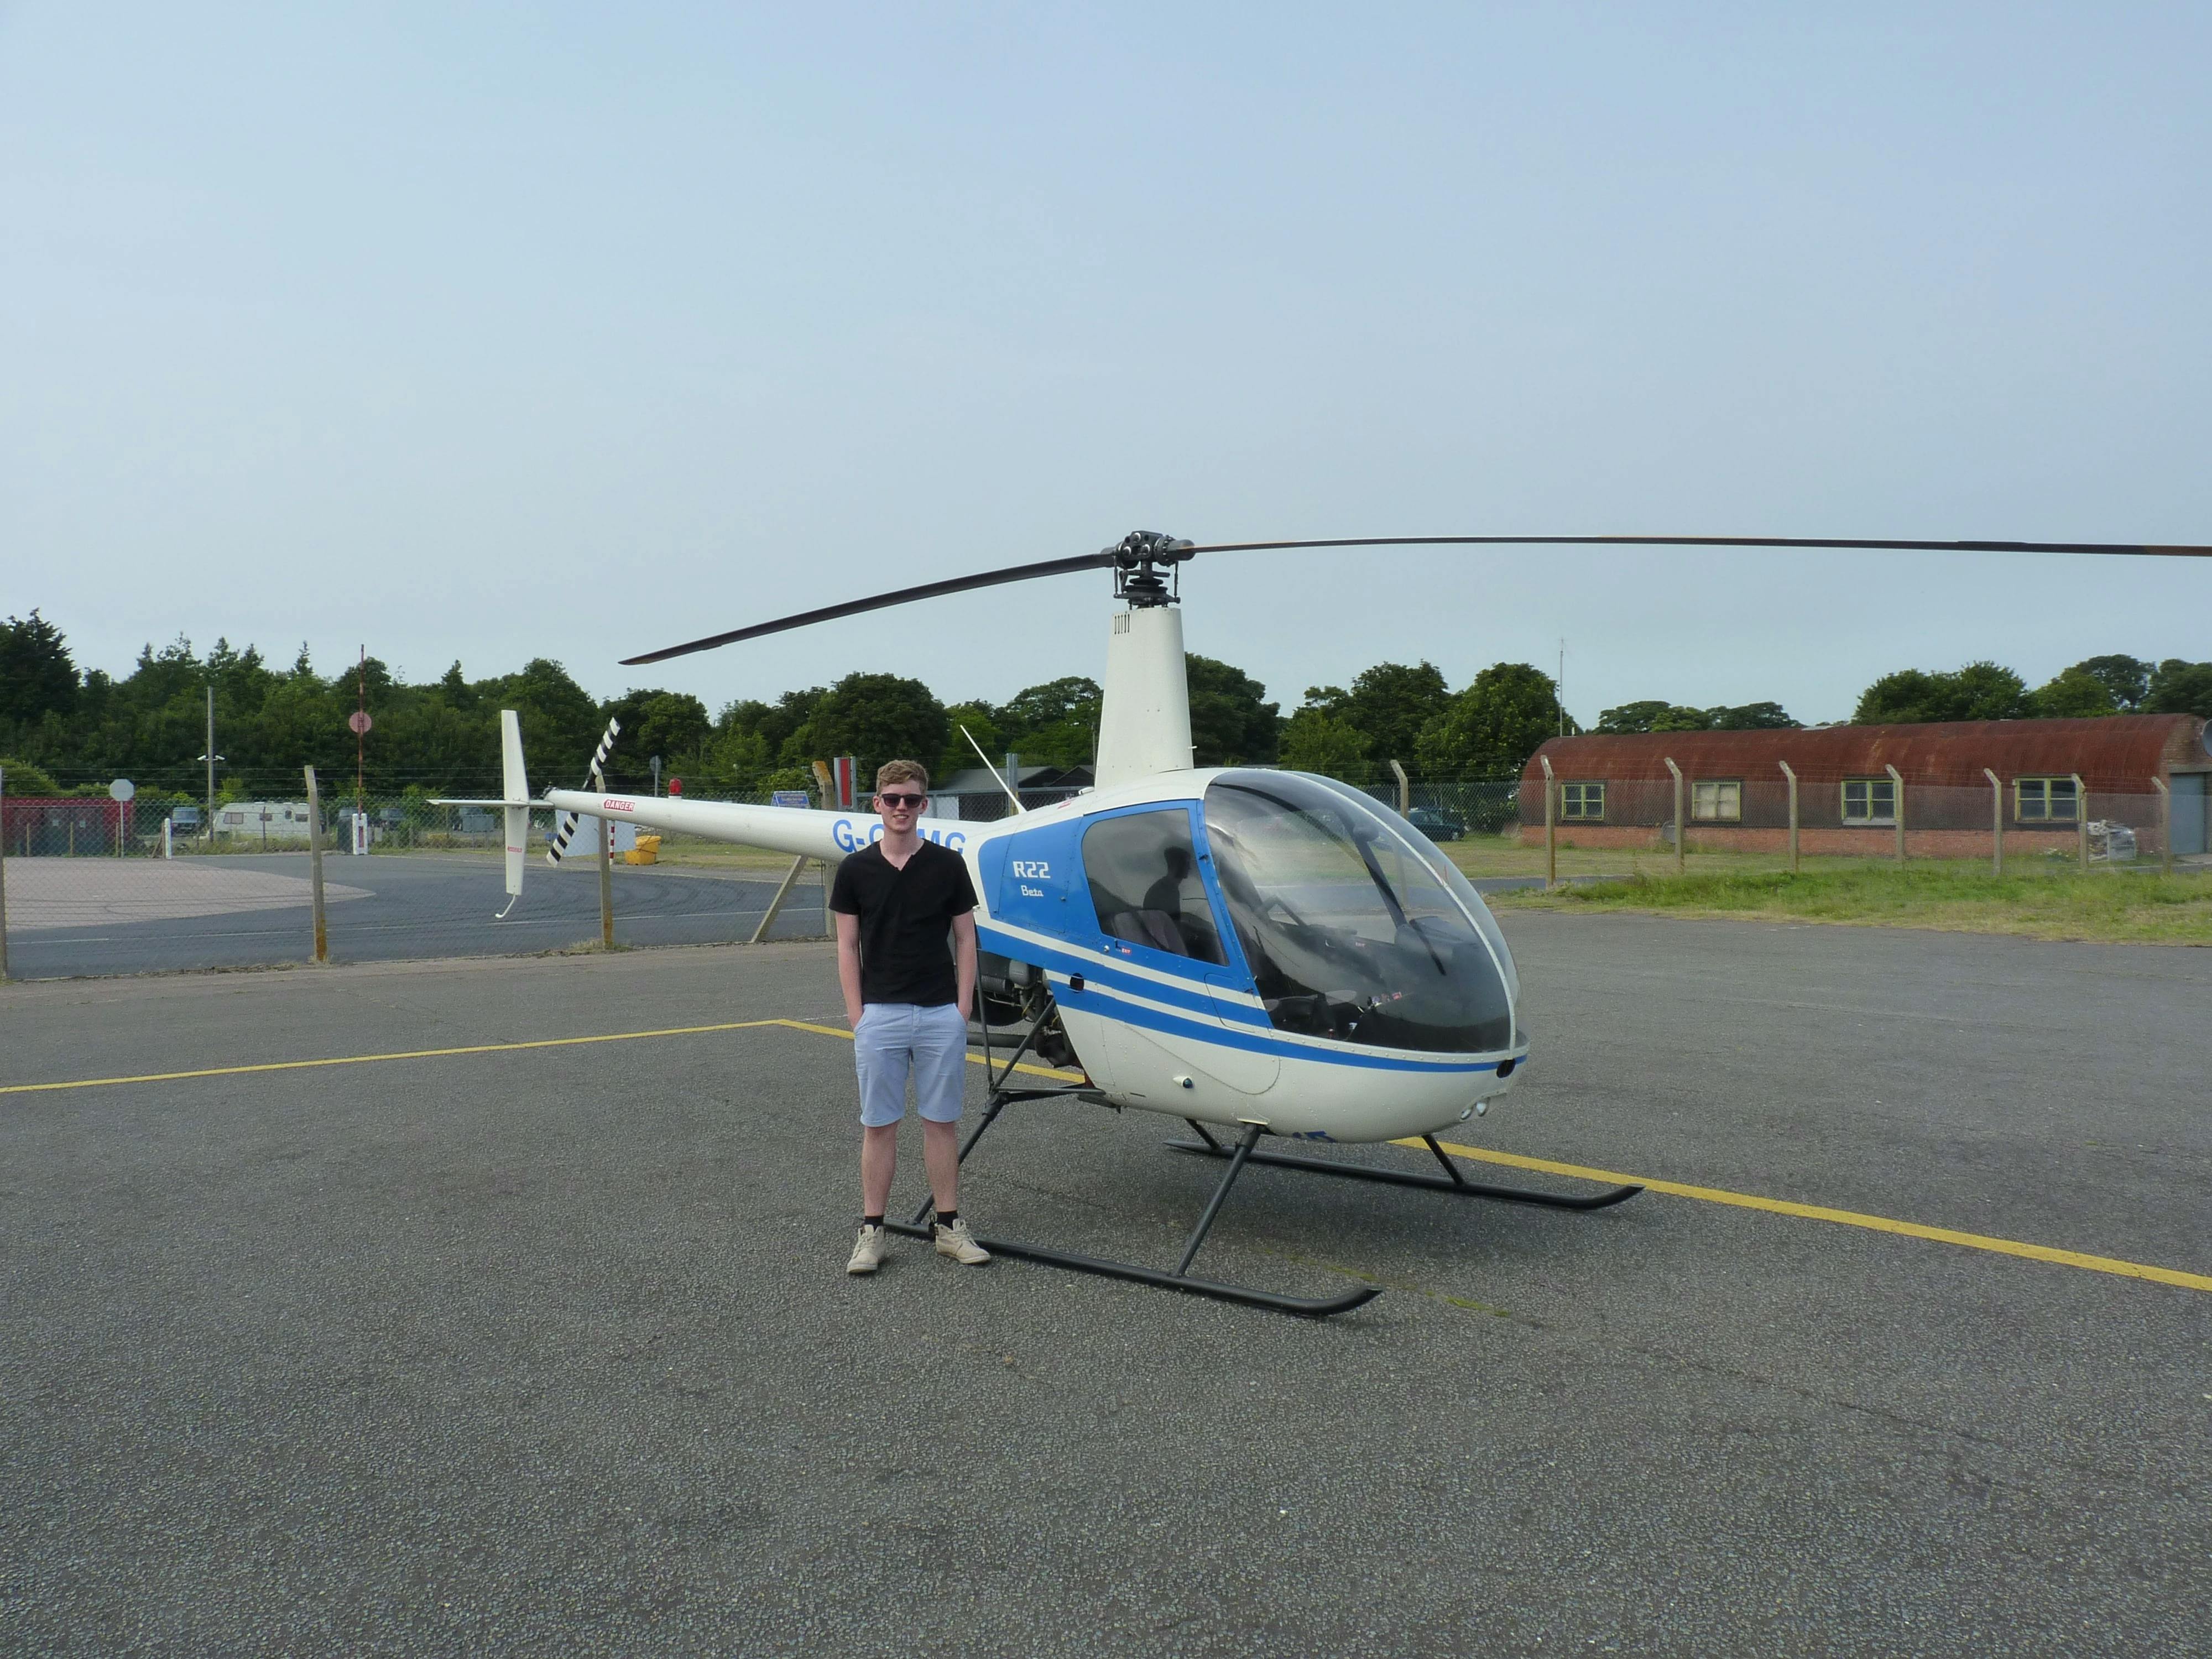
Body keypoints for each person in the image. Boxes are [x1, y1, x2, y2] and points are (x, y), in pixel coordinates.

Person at [830, 759, 989, 1276]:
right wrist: (859, 1015)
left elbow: (966, 938)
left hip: (940, 1012)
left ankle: (948, 1226)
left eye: (912, 799)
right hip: (881, 1014)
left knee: (941, 1123)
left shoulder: (947, 865)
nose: (902, 808)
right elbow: (846, 945)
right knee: (879, 1125)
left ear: (924, 805)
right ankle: (872, 1231)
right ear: (876, 804)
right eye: (893, 799)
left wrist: (962, 1008)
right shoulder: (855, 870)